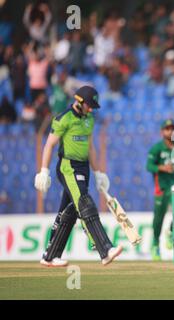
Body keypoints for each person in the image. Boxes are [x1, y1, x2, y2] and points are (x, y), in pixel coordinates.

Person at [34, 86, 122, 267]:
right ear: (79, 101)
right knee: (84, 202)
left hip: (84, 169)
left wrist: (98, 172)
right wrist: (44, 170)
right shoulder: (64, 118)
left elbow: (90, 148)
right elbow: (49, 145)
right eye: (89, 105)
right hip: (68, 167)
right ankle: (105, 249)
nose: (91, 109)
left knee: (69, 211)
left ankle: (50, 256)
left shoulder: (89, 119)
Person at [146, 119, 174, 261]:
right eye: (167, 129)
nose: (170, 131)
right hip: (162, 186)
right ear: (162, 131)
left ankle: (170, 231)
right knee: (159, 217)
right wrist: (162, 168)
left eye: (172, 128)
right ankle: (155, 244)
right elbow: (149, 166)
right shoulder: (157, 148)